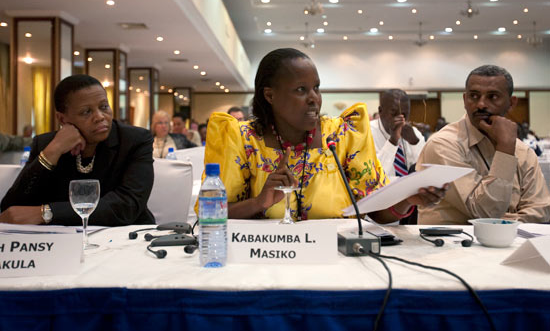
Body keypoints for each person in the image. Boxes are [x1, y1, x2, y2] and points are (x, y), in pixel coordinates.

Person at [204, 48, 446, 222]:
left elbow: (374, 210)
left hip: (337, 262)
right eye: (301, 90)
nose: (314, 98)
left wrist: (409, 200)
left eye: (316, 88)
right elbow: (210, 213)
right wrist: (259, 202)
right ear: (270, 95)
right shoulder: (242, 139)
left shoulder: (343, 135)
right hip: (267, 259)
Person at [0, 75, 155, 226]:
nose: (100, 117)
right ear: (62, 119)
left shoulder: (134, 140)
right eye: (86, 112)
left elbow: (126, 205)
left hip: (124, 238)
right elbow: (11, 210)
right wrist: (53, 151)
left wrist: (46, 212)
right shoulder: (46, 144)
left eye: (104, 106)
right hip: (59, 241)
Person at [416, 65, 550, 224]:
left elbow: (541, 211)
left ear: (511, 102)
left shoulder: (523, 151)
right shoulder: (443, 144)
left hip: (511, 243)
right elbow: (484, 211)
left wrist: (503, 224)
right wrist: (505, 151)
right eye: (474, 96)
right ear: (465, 100)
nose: (481, 104)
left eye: (492, 97)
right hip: (454, 246)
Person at [370, 89, 425, 180]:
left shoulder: (414, 133)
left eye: (404, 114)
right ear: (380, 111)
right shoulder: (367, 134)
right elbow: (373, 177)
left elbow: (423, 170)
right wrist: (393, 141)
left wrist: (414, 142)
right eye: (394, 113)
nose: (400, 119)